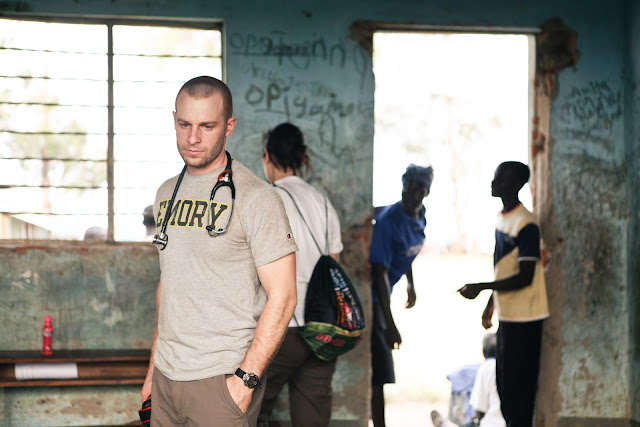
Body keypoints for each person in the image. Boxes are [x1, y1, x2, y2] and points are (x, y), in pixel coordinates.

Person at [140, 76, 298, 427]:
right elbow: (170, 284)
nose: (193, 138)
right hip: (166, 379)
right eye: (184, 124)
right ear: (174, 120)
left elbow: (284, 296)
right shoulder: (166, 193)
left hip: (222, 380)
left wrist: (245, 381)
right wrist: (153, 370)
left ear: (229, 126)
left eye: (207, 126)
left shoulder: (257, 198)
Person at [257, 122, 344, 427]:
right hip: (321, 328)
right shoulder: (324, 204)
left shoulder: (265, 201)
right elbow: (333, 267)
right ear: (303, 158)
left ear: (267, 156)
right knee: (312, 417)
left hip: (280, 326)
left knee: (248, 410)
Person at [458, 161, 549, 427]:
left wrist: (482, 287)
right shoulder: (503, 218)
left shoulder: (526, 224)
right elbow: (503, 269)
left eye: (500, 178)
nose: (493, 182)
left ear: (516, 184)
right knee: (506, 388)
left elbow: (525, 275)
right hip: (509, 316)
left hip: (527, 318)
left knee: (520, 391)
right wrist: (491, 304)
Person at [369, 163, 434, 427]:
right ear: (403, 187)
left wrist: (410, 283)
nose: (413, 194)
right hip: (373, 299)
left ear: (427, 192)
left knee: (381, 369)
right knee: (379, 372)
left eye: (419, 189)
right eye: (409, 187)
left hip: (386, 293)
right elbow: (379, 273)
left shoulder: (420, 216)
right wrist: (390, 325)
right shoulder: (389, 221)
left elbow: (406, 250)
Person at [430, 333, 505, 427]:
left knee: (472, 423)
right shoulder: (514, 367)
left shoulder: (488, 367)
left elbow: (480, 409)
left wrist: (475, 419)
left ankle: (445, 425)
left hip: (492, 423)